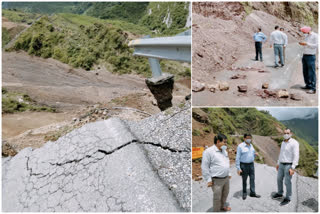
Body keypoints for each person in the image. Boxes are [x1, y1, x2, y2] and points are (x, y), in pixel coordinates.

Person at [202, 134, 231, 212]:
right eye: (224, 142)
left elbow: (226, 162)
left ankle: (222, 207)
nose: (226, 144)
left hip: (226, 178)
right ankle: (216, 211)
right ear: (218, 141)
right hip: (216, 180)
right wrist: (208, 179)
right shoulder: (208, 152)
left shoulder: (224, 151)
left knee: (225, 194)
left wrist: (229, 173)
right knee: (217, 197)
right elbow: (205, 167)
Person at [272, 129, 299, 206]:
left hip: (289, 165)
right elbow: (281, 154)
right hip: (281, 164)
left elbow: (296, 155)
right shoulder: (283, 142)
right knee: (279, 179)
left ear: (291, 133)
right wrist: (278, 163)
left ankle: (288, 198)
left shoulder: (294, 143)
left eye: (287, 133)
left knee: (287, 182)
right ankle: (280, 193)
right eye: (284, 133)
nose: (286, 134)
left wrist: (293, 167)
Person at [236, 134, 261, 200]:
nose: (249, 139)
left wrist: (255, 155)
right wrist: (238, 168)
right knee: (244, 180)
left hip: (251, 165)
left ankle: (252, 193)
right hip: (243, 165)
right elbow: (237, 158)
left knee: (252, 179)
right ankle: (244, 193)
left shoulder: (251, 146)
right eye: (247, 138)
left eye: (250, 138)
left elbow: (252, 155)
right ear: (244, 138)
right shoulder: (240, 146)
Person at [298, 26, 318, 94]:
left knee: (311, 72)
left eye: (304, 32)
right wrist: (303, 44)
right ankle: (308, 85)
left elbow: (316, 45)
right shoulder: (307, 36)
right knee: (305, 71)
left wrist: (307, 44)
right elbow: (305, 44)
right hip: (305, 55)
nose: (303, 33)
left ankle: (313, 88)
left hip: (311, 56)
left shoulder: (315, 36)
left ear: (308, 31)